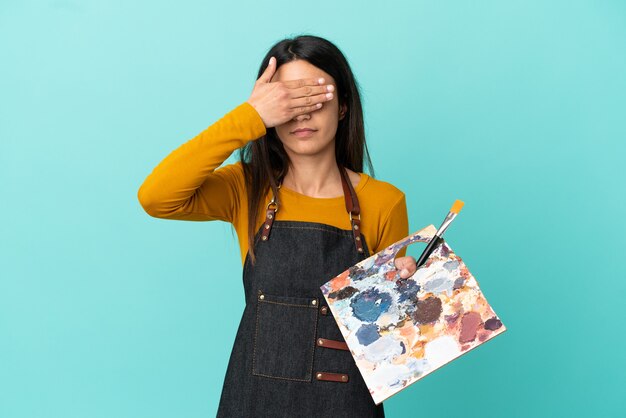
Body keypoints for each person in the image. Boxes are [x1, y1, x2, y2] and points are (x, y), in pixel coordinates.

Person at [137, 34, 418, 418]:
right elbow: (156, 196)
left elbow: (384, 347)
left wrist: (407, 297)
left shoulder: (385, 202)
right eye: (288, 101)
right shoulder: (246, 188)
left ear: (342, 107)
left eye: (314, 99)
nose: (301, 115)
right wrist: (249, 116)